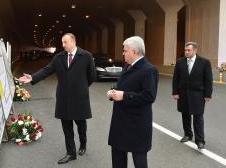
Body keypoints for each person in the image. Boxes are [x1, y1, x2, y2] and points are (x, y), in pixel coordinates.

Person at [19, 33, 96, 164]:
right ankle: (71, 153)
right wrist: (33, 77)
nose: (63, 45)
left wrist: (81, 88)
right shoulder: (59, 57)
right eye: (62, 42)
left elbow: (92, 76)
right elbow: (47, 70)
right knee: (67, 127)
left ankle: (83, 144)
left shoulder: (86, 56)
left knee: (81, 124)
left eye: (65, 42)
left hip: (79, 99)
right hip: (63, 98)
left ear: (73, 41)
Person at [107, 36, 158, 168]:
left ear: (134, 52)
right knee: (118, 157)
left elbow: (149, 96)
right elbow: (124, 87)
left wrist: (123, 96)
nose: (123, 53)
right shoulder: (127, 66)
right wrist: (113, 93)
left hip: (137, 124)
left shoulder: (148, 70)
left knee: (139, 160)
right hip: (120, 122)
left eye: (125, 50)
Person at [172, 41, 213, 149]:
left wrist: (208, 94)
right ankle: (188, 135)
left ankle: (200, 140)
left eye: (188, 50)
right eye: (185, 50)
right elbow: (176, 78)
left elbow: (208, 80)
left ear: (195, 50)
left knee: (198, 117)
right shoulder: (180, 62)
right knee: (185, 115)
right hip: (183, 94)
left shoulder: (204, 62)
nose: (186, 52)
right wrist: (175, 92)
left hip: (198, 95)